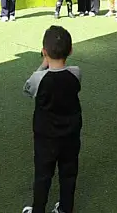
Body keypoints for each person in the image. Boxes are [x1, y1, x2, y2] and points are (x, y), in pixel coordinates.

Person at [22, 26, 81, 213]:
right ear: (70, 50)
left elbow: (27, 89)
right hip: (71, 135)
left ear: (44, 51)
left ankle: (38, 209)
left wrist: (42, 64)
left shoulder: (38, 79)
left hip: (45, 137)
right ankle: (65, 208)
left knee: (43, 175)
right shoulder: (76, 72)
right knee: (68, 173)